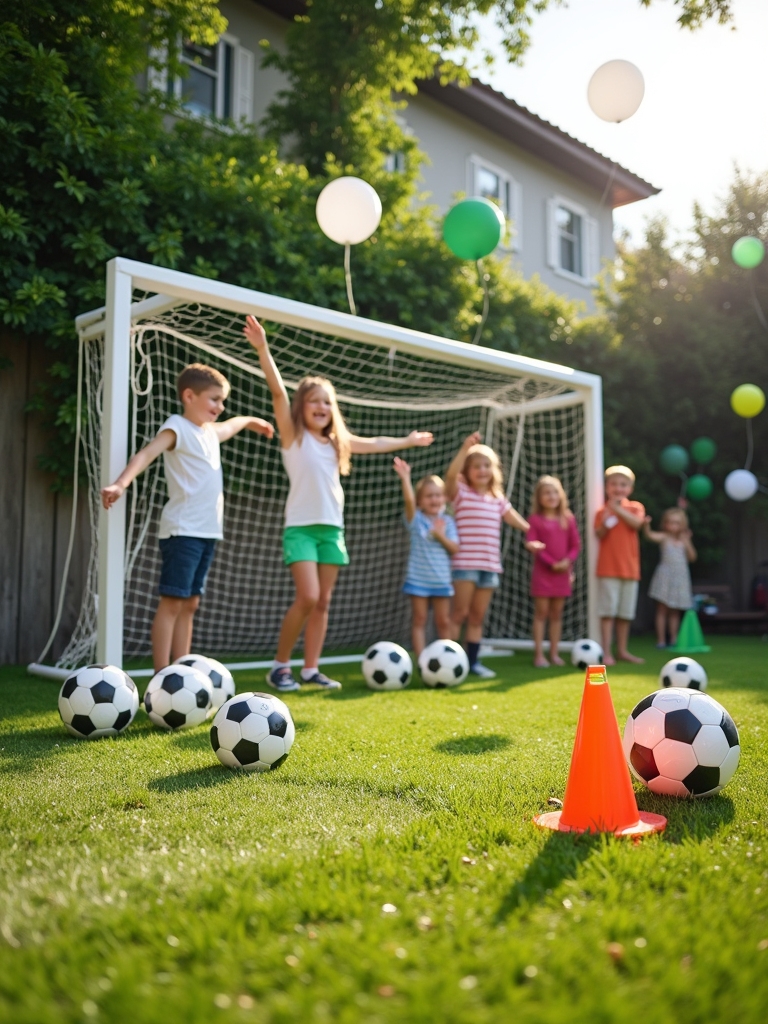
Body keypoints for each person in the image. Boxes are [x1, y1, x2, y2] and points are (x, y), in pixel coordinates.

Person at [244, 314, 434, 693]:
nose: (321, 407)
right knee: (308, 596)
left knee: (323, 602)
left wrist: (407, 441)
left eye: (327, 403)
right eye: (314, 401)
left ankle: (311, 668)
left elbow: (375, 442)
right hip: (301, 529)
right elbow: (279, 393)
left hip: (333, 530)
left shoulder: (337, 443)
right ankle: (280, 667)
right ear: (302, 407)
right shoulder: (293, 436)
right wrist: (263, 349)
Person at [100, 363, 274, 672]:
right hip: (183, 531)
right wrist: (120, 483)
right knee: (173, 603)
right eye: (214, 399)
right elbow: (145, 454)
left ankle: (182, 669)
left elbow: (233, 424)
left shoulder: (210, 432)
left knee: (191, 603)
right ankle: (162, 675)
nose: (220, 407)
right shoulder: (177, 427)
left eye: (223, 401)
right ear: (189, 396)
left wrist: (253, 422)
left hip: (208, 532)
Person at [446, 432, 530, 679]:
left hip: (490, 566)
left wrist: (532, 531)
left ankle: (472, 663)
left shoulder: (497, 498)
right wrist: (464, 449)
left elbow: (513, 517)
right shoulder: (460, 491)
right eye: (476, 466)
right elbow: (450, 476)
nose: (482, 470)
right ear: (467, 470)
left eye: (486, 466)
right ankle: (448, 660)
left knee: (477, 616)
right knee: (459, 613)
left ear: (493, 470)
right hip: (465, 565)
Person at [393, 458, 460, 658]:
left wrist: (440, 535)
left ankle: (447, 658)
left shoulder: (447, 522)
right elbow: (408, 502)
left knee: (443, 622)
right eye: (429, 496)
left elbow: (455, 548)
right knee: (420, 619)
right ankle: (422, 659)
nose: (434, 500)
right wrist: (405, 478)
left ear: (444, 499)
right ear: (420, 501)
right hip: (418, 580)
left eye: (438, 495)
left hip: (441, 580)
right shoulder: (416, 521)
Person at [525, 475, 581, 668]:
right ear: (539, 497)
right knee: (541, 613)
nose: (551, 496)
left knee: (557, 614)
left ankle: (555, 653)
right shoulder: (535, 519)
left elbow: (575, 545)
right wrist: (551, 562)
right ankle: (539, 655)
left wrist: (566, 562)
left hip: (563, 575)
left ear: (561, 495)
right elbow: (533, 544)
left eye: (554, 491)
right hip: (543, 575)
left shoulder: (568, 518)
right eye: (546, 492)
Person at [594, 465, 645, 665]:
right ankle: (607, 652)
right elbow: (598, 533)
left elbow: (637, 524)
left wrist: (617, 509)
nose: (618, 488)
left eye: (623, 485)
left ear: (630, 489)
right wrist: (607, 518)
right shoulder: (601, 511)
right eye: (613, 484)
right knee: (608, 612)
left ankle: (622, 650)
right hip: (608, 569)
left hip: (630, 570)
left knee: (625, 614)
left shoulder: (635, 507)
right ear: (607, 487)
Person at [644, 507, 697, 647]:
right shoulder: (664, 537)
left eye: (677, 523)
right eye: (670, 522)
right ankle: (661, 640)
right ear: (665, 524)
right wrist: (646, 525)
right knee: (662, 610)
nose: (673, 526)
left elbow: (692, 557)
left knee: (675, 611)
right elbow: (649, 535)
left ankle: (674, 639)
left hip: (679, 578)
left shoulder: (684, 540)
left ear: (683, 525)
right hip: (665, 578)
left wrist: (687, 541)